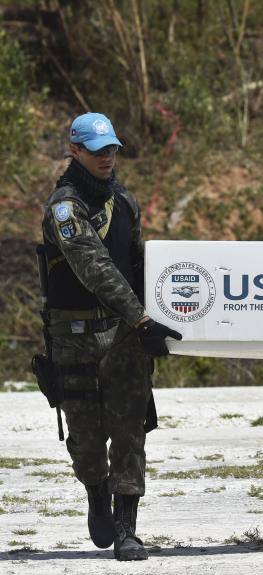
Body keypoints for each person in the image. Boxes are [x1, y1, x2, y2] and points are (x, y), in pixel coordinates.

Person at [39, 112, 181, 561]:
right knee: (85, 438)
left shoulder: (125, 202)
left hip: (123, 334)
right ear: (75, 151)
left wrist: (163, 317)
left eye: (113, 149)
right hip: (75, 336)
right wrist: (143, 320)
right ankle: (96, 493)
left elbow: (139, 266)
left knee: (130, 430)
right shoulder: (64, 208)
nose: (108, 158)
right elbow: (93, 266)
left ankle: (126, 527)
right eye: (98, 151)